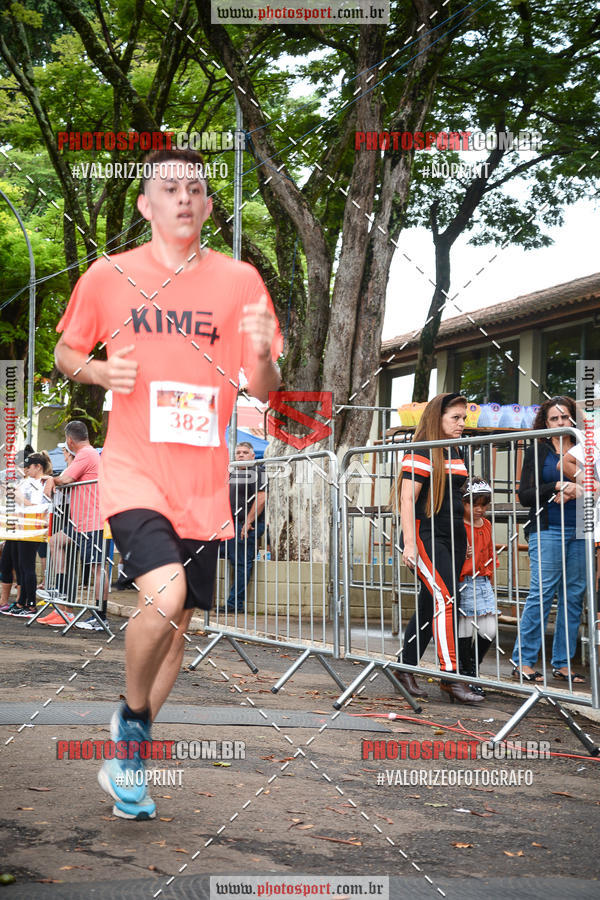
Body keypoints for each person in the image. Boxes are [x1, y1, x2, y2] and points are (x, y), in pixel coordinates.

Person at [53, 147, 282, 820]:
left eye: (196, 188)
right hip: (134, 470)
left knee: (179, 624)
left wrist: (264, 353)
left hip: (205, 486)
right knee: (165, 593)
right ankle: (130, 718)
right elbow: (68, 350)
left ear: (209, 207)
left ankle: (133, 757)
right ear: (147, 205)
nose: (184, 197)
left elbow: (262, 387)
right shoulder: (109, 274)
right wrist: (97, 375)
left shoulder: (240, 281)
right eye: (169, 187)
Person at [393, 392, 483, 704]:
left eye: (464, 417)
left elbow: (459, 496)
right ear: (437, 418)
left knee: (431, 602)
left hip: (454, 535)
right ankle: (451, 676)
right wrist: (409, 545)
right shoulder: (422, 448)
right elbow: (406, 499)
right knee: (446, 600)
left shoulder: (457, 449)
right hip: (425, 533)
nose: (462, 423)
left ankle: (404, 668)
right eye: (455, 418)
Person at [512, 396, 586, 684]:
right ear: (545, 422)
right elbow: (524, 496)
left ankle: (563, 663)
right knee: (541, 594)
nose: (561, 423)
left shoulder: (584, 448)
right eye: (554, 418)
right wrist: (557, 484)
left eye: (565, 417)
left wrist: (575, 488)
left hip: (580, 527)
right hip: (548, 528)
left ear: (573, 419)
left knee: (574, 596)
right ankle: (523, 660)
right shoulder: (538, 449)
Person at [40, 421, 107, 630]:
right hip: (80, 522)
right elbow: (71, 482)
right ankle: (60, 591)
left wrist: (52, 480)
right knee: (56, 541)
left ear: (70, 440)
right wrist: (55, 482)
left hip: (92, 521)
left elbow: (67, 478)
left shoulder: (86, 454)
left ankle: (100, 615)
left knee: (97, 568)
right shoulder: (86, 455)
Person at [458, 478, 499, 696]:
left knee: (489, 629)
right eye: (473, 504)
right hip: (464, 580)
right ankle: (466, 674)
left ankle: (473, 666)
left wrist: (490, 576)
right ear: (463, 503)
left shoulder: (487, 525)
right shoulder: (458, 525)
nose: (479, 509)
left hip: (482, 581)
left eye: (483, 505)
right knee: (465, 626)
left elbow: (491, 554)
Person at [225, 442, 266, 613]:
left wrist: (248, 522)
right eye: (238, 453)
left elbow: (262, 498)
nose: (240, 455)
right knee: (233, 562)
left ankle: (235, 604)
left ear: (252, 455)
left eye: (244, 452)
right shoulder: (233, 473)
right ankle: (230, 601)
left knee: (242, 564)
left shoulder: (258, 472)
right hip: (231, 525)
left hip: (246, 526)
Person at [10, 453, 52, 617]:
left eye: (29, 467)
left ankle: (31, 605)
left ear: (38, 467)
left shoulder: (41, 483)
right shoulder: (28, 482)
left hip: (33, 528)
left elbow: (39, 506)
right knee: (21, 565)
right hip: (22, 528)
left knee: (28, 567)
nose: (26, 470)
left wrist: (20, 498)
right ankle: (22, 602)